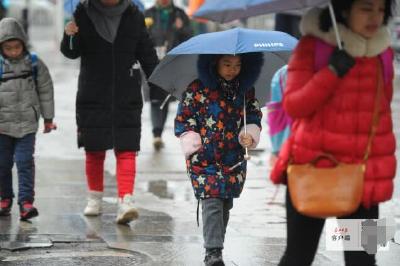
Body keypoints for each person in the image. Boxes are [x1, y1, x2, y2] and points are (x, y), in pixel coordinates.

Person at [270, 1, 397, 265]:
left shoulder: (382, 53)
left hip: (364, 182)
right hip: (313, 170)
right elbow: (294, 105)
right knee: (298, 256)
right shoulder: (311, 46)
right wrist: (332, 72)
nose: (375, 17)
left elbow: (381, 111)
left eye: (381, 10)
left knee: (363, 260)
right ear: (344, 9)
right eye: (366, 8)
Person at [60, 0, 159, 224]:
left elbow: (146, 51)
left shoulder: (134, 14)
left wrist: (160, 83)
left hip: (126, 91)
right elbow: (71, 53)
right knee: (94, 148)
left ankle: (126, 200)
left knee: (127, 147)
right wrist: (70, 35)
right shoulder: (82, 12)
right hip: (93, 91)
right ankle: (94, 198)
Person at [175, 53, 263, 265]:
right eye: (227, 64)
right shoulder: (197, 88)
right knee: (212, 200)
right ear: (214, 63)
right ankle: (213, 252)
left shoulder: (245, 91)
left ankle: (215, 247)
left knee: (224, 204)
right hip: (204, 158)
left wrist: (250, 133)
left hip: (233, 157)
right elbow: (184, 118)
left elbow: (253, 116)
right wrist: (193, 140)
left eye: (238, 65)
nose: (233, 69)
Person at [0, 18, 56, 220]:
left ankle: (26, 202)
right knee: (2, 164)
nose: (13, 51)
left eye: (17, 47)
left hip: (27, 124)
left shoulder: (34, 63)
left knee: (24, 162)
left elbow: (45, 90)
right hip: (2, 126)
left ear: (23, 43)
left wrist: (48, 118)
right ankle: (4, 198)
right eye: (8, 48)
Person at [145, 0, 192, 150]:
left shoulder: (180, 14)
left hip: (172, 62)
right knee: (154, 98)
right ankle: (156, 133)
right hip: (150, 62)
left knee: (163, 98)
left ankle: (158, 133)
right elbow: (138, 36)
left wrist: (181, 28)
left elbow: (190, 37)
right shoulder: (148, 14)